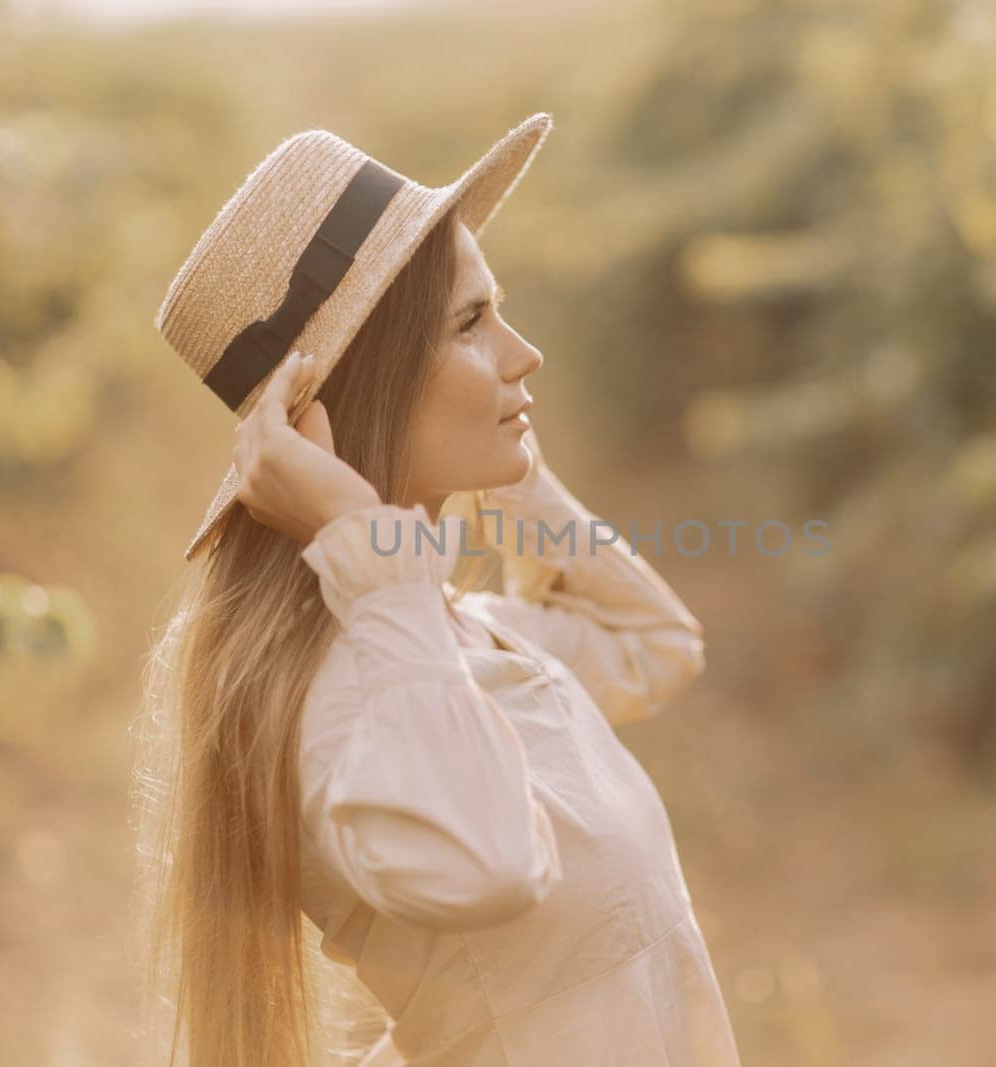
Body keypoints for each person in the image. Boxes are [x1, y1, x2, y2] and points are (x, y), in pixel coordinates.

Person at [132, 114, 741, 1067]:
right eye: (471, 322)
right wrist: (356, 537)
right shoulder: (344, 696)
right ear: (354, 388)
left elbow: (658, 640)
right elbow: (491, 863)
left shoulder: (457, 634)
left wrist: (514, 469)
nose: (522, 351)